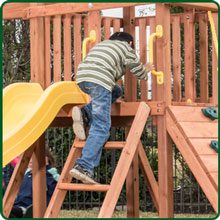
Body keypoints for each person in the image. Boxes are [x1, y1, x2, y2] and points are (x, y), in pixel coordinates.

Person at [70, 32, 154, 184]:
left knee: (116, 91)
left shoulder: (101, 46)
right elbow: (139, 72)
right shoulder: (126, 48)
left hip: (82, 78)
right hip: (100, 81)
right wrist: (146, 69)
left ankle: (85, 112)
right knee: (101, 127)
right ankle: (84, 165)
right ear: (129, 43)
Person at [9, 147, 60, 218]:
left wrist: (45, 167)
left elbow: (54, 194)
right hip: (18, 205)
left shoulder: (50, 174)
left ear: (45, 158)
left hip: (30, 208)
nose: (30, 160)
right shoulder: (27, 173)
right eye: (29, 158)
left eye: (33, 158)